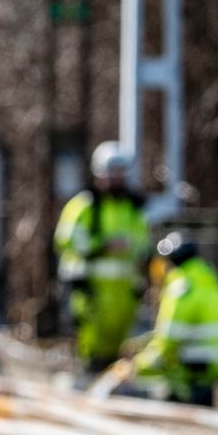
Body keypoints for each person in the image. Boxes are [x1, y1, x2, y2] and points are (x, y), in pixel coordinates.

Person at [54, 142, 150, 370]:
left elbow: (143, 243)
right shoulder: (84, 206)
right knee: (91, 344)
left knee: (120, 343)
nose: (117, 179)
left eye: (121, 174)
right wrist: (102, 246)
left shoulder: (133, 208)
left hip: (123, 292)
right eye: (112, 174)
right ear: (100, 174)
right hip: (92, 291)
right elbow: (65, 239)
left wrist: (135, 252)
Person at [133, 233, 218, 405]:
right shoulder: (210, 282)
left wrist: (139, 365)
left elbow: (168, 342)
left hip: (194, 364)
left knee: (161, 376)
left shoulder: (181, 289)